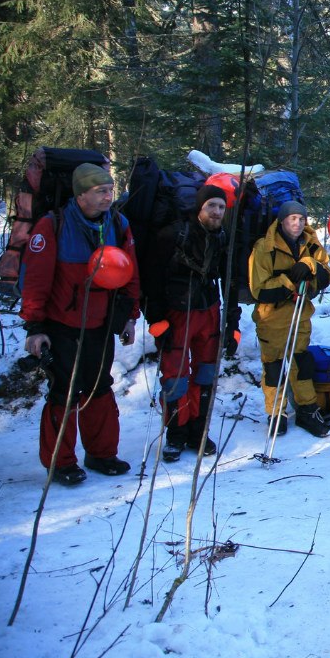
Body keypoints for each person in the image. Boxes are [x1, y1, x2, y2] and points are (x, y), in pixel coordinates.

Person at [21, 163, 140, 485]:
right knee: (64, 392)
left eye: (110, 190)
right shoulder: (53, 226)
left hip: (101, 323)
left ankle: (102, 454)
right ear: (81, 194)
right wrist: (35, 327)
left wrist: (130, 317)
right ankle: (61, 462)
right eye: (100, 191)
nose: (107, 196)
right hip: (62, 324)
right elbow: (36, 280)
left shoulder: (117, 223)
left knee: (99, 388)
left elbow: (130, 273)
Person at [144, 184, 228, 462]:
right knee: (175, 379)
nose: (216, 212)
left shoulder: (222, 237)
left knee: (205, 375)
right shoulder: (173, 235)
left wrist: (233, 322)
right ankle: (175, 435)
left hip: (209, 311)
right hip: (177, 313)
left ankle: (198, 431)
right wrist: (156, 320)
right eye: (211, 206)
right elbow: (151, 278)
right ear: (199, 207)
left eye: (221, 207)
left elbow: (230, 280)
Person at [249, 201, 330, 438]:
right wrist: (291, 280)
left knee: (302, 364)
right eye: (292, 218)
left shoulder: (310, 243)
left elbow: (327, 273)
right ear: (282, 220)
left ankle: (307, 409)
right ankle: (276, 413)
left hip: (301, 315)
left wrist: (309, 266)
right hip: (272, 318)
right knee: (274, 367)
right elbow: (259, 289)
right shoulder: (264, 247)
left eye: (301, 218)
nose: (297, 224)